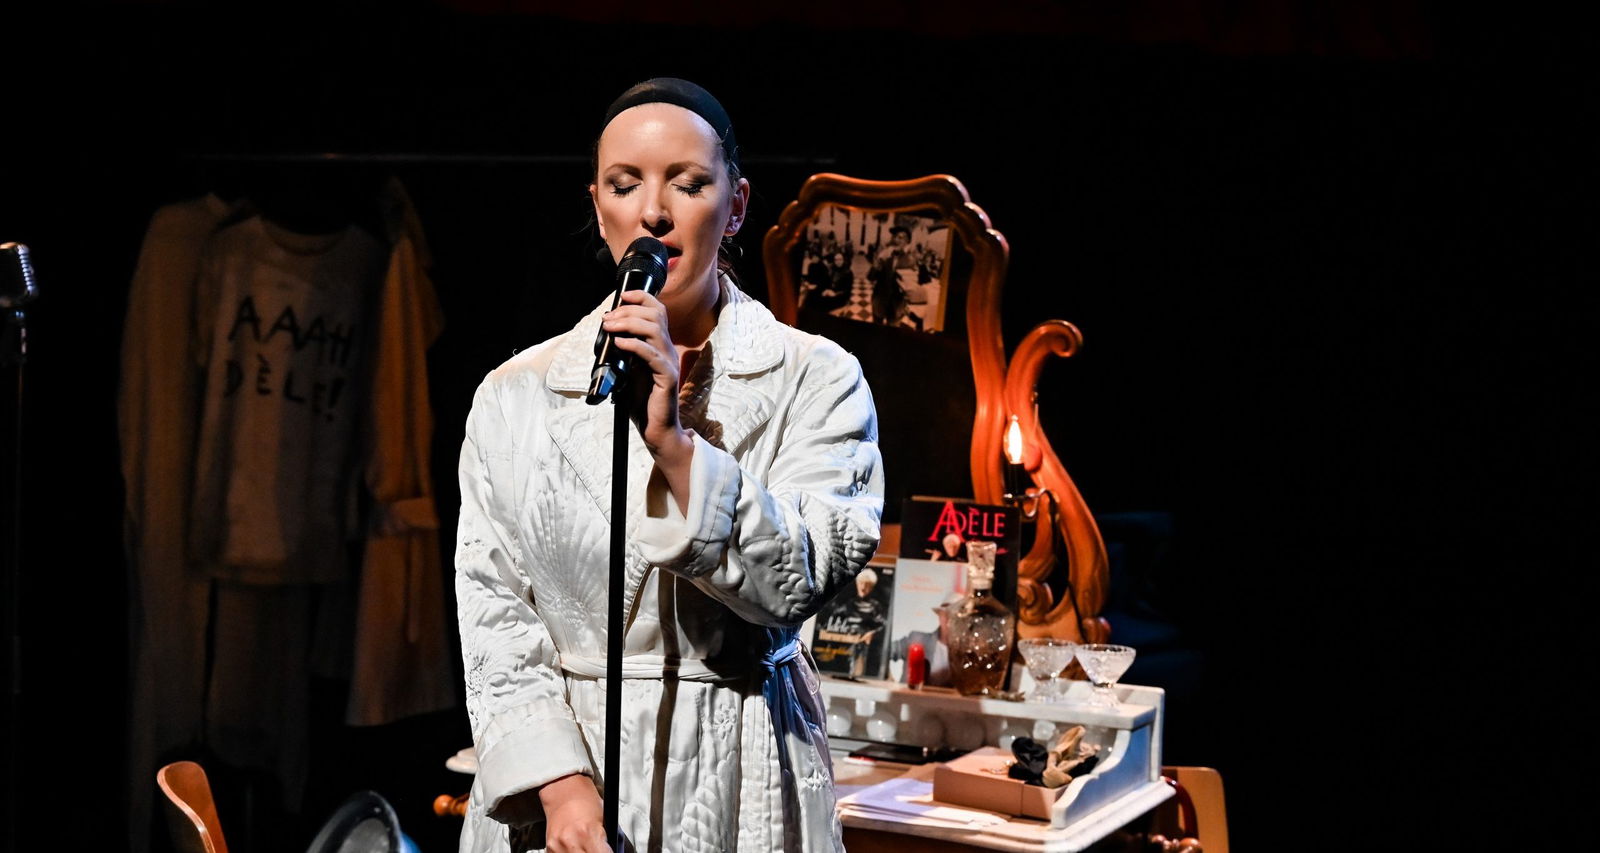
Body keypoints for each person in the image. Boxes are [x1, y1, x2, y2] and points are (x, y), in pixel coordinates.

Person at [453, 78, 884, 853]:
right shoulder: (514, 394)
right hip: (565, 799)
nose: (653, 212)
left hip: (745, 770)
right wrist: (561, 786)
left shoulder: (817, 378)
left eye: (686, 183)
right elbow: (494, 611)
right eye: (625, 185)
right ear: (598, 208)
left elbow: (805, 576)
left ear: (737, 204)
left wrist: (675, 446)